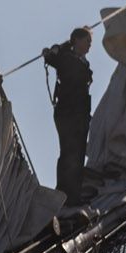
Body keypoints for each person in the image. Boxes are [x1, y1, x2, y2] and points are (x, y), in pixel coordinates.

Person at [43, 27, 94, 204]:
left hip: (80, 115)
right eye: (87, 40)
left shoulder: (83, 63)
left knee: (78, 154)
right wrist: (57, 49)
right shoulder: (66, 58)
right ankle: (66, 193)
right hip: (68, 113)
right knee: (69, 153)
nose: (90, 45)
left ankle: (73, 194)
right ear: (77, 41)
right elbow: (51, 57)